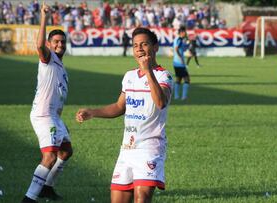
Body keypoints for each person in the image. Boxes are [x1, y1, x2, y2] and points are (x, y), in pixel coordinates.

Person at [76, 27, 173, 203]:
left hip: (150, 148)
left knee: (141, 198)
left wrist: (148, 71)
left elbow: (160, 102)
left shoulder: (163, 76)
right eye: (136, 45)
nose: (140, 49)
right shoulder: (129, 77)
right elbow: (120, 106)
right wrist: (93, 112)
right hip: (127, 149)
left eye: (144, 44)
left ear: (155, 47)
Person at [21, 2, 72, 203]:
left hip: (53, 116)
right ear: (51, 44)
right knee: (50, 156)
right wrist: (44, 17)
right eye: (56, 42)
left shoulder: (61, 67)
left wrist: (59, 121)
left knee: (66, 151)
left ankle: (47, 188)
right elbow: (39, 46)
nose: (60, 44)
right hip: (43, 115)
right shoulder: (48, 58)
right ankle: (29, 198)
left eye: (63, 42)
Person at [173, 26, 190, 100]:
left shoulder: (176, 39)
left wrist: (187, 44)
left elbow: (182, 49)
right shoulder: (179, 39)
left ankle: (176, 96)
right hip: (180, 63)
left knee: (178, 79)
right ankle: (184, 96)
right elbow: (176, 49)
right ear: (182, 32)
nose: (186, 33)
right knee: (187, 79)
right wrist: (180, 58)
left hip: (175, 62)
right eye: (185, 32)